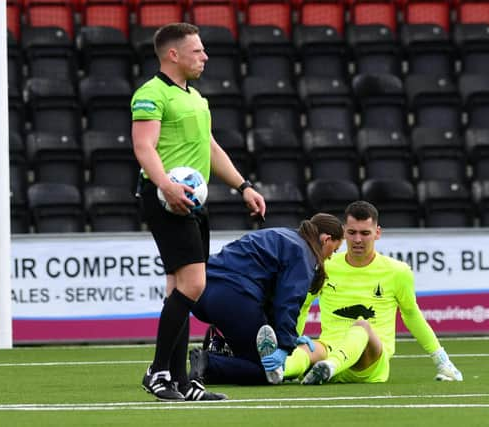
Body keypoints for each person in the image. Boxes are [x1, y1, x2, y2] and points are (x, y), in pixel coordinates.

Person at [131, 22, 266, 402]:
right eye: (197, 51)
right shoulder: (151, 93)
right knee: (193, 285)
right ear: (173, 54)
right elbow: (144, 147)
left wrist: (243, 185)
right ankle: (159, 372)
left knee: (180, 288)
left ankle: (180, 380)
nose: (205, 57)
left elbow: (209, 148)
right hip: (165, 199)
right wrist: (166, 186)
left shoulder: (196, 98)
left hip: (192, 200)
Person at [258, 200, 463, 385]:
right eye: (352, 232)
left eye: (365, 233)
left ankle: (328, 368)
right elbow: (302, 305)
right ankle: (279, 370)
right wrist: (294, 340)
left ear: (377, 233)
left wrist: (441, 359)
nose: (357, 239)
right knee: (306, 350)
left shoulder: (397, 271)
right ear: (344, 231)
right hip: (329, 349)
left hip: (370, 362)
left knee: (362, 326)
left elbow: (411, 314)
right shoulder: (325, 265)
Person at [188, 213, 344, 385]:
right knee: (267, 372)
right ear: (326, 240)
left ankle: (220, 345)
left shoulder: (282, 235)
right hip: (232, 299)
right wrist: (285, 346)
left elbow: (272, 296)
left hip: (201, 292)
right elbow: (288, 301)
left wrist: (290, 337)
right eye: (334, 250)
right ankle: (208, 361)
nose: (330, 256)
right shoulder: (304, 253)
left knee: (248, 352)